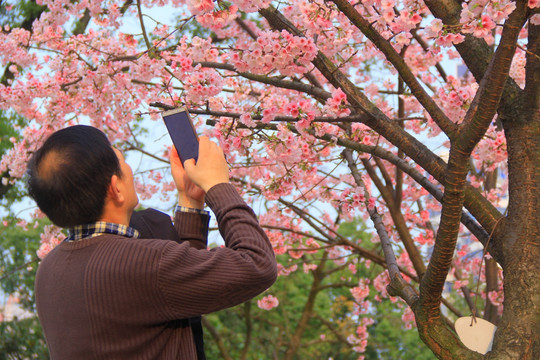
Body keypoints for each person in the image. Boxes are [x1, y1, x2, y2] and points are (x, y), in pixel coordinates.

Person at [27, 125, 277, 359]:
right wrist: (217, 184)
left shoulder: (48, 271)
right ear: (116, 188)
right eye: (123, 162)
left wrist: (190, 201)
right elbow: (257, 264)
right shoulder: (143, 264)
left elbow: (177, 292)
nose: (128, 169)